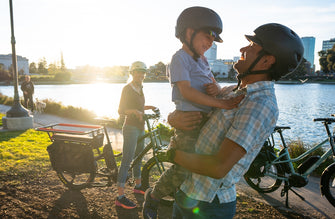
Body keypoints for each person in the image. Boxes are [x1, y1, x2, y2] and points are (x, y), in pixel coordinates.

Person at [165, 23, 304, 218]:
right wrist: (173, 118)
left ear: (267, 61)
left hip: (208, 205)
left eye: (252, 47)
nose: (242, 49)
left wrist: (173, 155)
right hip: (187, 190)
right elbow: (195, 109)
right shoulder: (232, 92)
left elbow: (218, 167)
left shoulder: (260, 104)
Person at [142, 6, 244, 218]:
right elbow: (186, 92)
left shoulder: (203, 60)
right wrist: (222, 104)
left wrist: (217, 89)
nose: (210, 43)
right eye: (207, 37)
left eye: (213, 40)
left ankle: (180, 200)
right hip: (188, 125)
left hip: (204, 122)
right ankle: (153, 196)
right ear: (189, 32)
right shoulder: (179, 58)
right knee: (183, 168)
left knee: (200, 167)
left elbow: (214, 84)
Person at [115, 61, 157, 209]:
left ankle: (138, 185)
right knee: (127, 160)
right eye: (137, 72)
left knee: (139, 157)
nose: (140, 75)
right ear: (132, 73)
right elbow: (122, 110)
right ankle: (120, 196)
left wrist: (150, 107)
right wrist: (135, 112)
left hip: (141, 127)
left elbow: (138, 106)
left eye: (142, 72)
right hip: (131, 127)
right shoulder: (127, 88)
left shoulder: (140, 88)